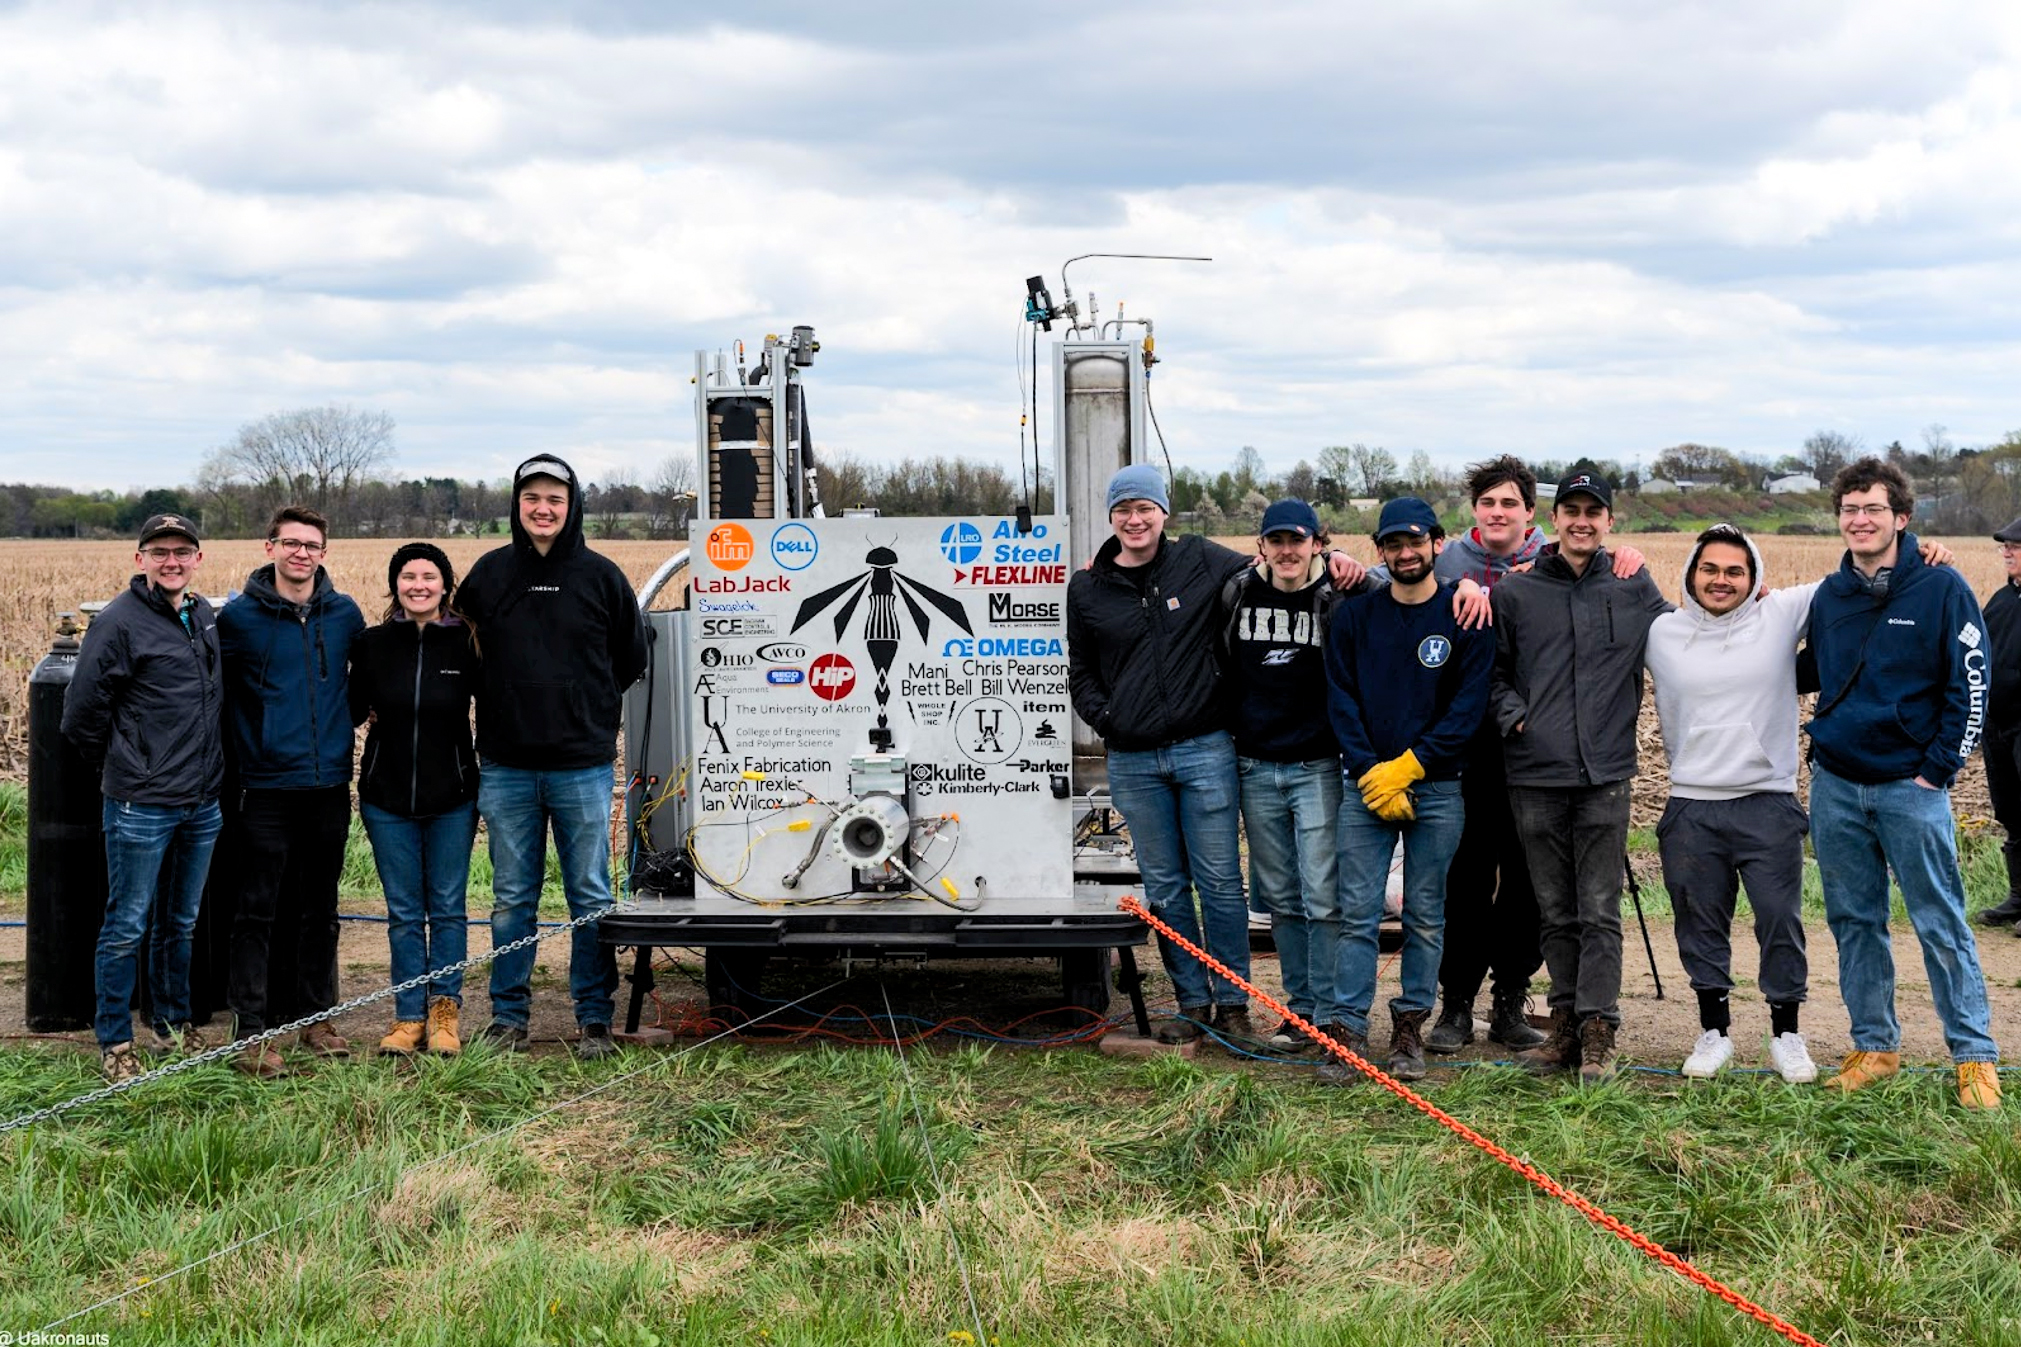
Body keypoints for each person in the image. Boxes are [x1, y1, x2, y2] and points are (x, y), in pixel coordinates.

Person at [1425, 456, 1646, 1055]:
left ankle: (1510, 999)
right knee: (1467, 880)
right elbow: (1384, 579)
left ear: (1531, 515)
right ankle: (1456, 1003)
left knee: (1529, 887)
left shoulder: (1559, 566)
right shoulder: (1445, 561)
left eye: (1509, 504)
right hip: (1469, 749)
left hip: (1540, 758)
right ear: (1474, 511)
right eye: (1487, 503)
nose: (1498, 513)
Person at [1806, 458, 2001, 1110]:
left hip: (1909, 789)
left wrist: (1936, 771)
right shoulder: (1828, 596)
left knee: (1938, 920)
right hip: (1835, 786)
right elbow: (1801, 670)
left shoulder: (1941, 587)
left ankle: (1973, 1056)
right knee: (1854, 921)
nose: (1859, 520)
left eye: (1871, 509)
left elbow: (1970, 684)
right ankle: (1874, 1047)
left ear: (1900, 517)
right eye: (1849, 510)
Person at [458, 455, 648, 1059]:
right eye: (531, 498)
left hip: (582, 767)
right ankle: (508, 1017)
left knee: (589, 895)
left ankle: (594, 1018)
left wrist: (582, 707)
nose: (543, 509)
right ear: (517, 505)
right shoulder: (488, 575)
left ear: (572, 508)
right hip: (507, 766)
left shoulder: (602, 577)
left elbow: (631, 659)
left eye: (555, 499)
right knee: (514, 896)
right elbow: (460, 656)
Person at [1070, 464, 1263, 1046]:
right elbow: (1080, 669)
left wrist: (1337, 563)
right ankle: (1192, 1003)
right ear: (1111, 516)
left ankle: (1233, 1002)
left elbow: (1275, 567)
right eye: (1123, 509)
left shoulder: (1200, 559)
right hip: (1133, 760)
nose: (1135, 519)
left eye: (1144, 508)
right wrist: (1107, 720)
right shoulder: (1088, 588)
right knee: (1166, 888)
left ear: (1164, 513)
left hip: (1204, 748)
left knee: (1222, 882)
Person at [1489, 470, 1671, 1083]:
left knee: (1598, 908)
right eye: (1572, 510)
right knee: (1554, 909)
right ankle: (1563, 1026)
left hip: (1604, 775)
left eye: (1595, 511)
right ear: (1555, 517)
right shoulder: (1517, 593)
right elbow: (1494, 675)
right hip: (1534, 774)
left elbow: (1689, 637)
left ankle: (1598, 1031)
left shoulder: (1632, 585)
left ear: (1609, 521)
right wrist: (1517, 719)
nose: (1583, 521)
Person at [1318, 497, 1492, 1083]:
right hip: (1365, 789)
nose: (1405, 553)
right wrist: (1373, 772)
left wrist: (1409, 767)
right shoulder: (1355, 617)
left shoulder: (1464, 616)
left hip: (1439, 789)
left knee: (1426, 915)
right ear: (1381, 551)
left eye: (1415, 542)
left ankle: (1409, 1028)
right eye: (1392, 544)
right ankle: (1344, 1029)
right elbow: (1341, 699)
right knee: (1356, 913)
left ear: (1437, 544)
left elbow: (1467, 710)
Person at [1644, 525, 1817, 1082]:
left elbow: (1861, 577)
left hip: (1768, 801)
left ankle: (1786, 1034)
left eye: (1735, 571)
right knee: (1698, 922)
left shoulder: (1782, 615)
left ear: (1755, 577)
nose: (1722, 580)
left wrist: (1922, 553)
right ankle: (1713, 1031)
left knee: (1779, 921)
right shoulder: (1660, 631)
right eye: (1710, 569)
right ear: (1692, 573)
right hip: (1692, 803)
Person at [61, 513, 226, 1082]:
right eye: (160, 552)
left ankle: (171, 1026)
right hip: (142, 804)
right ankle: (114, 1041)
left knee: (179, 922)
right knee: (126, 923)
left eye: (182, 551)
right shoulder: (118, 622)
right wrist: (131, 764)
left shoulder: (201, 614)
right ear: (140, 560)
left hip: (202, 800)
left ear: (198, 559)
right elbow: (81, 714)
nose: (172, 561)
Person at [217, 505, 367, 1078]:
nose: (301, 553)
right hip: (264, 788)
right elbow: (218, 696)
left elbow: (360, 688)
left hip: (327, 785)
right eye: (291, 543)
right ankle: (250, 1028)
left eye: (311, 545)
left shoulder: (344, 615)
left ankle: (316, 1016)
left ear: (323, 553)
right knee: (256, 909)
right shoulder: (239, 619)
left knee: (319, 907)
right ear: (270, 547)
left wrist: (337, 735)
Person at [1219, 499, 1348, 1051]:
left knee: (1322, 893)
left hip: (1315, 765)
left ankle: (1329, 1010)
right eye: (1277, 541)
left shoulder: (1338, 595)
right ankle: (1300, 1010)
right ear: (1262, 545)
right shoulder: (1238, 592)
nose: (1287, 551)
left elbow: (1405, 577)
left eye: (1298, 540)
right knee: (1280, 897)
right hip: (1253, 764)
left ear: (1317, 543)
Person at [349, 542, 480, 1056]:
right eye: (408, 576)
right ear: (395, 584)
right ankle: (407, 1017)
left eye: (429, 576)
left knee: (447, 908)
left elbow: (493, 706)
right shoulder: (371, 643)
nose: (418, 585)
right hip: (386, 798)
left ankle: (444, 1015)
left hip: (453, 797)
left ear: (445, 585)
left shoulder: (467, 643)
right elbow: (354, 709)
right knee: (404, 911)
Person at [1974, 515, 2021, 936]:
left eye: (2015, 546)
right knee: (2011, 811)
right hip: (1998, 725)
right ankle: (2019, 897)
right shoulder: (2002, 601)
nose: (2007, 551)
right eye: (2004, 545)